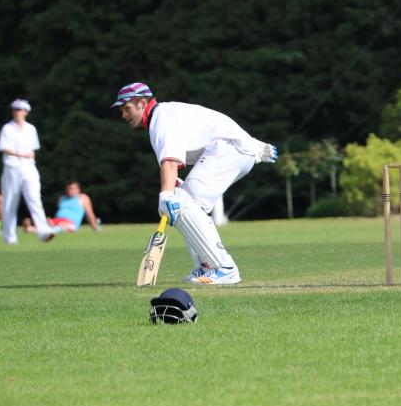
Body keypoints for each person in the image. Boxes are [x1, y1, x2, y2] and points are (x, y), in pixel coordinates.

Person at [112, 82, 277, 285]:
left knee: (180, 201)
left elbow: (170, 162)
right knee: (182, 200)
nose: (123, 115)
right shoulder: (163, 115)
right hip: (231, 151)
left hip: (228, 150)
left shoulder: (161, 119)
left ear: (142, 103)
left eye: (126, 108)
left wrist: (165, 195)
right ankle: (207, 266)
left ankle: (224, 269)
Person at [0, 98, 55, 244]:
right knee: (10, 202)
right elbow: (4, 148)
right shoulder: (7, 128)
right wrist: (21, 155)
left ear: (26, 112)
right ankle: (10, 237)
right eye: (14, 110)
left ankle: (43, 232)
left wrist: (28, 157)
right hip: (12, 169)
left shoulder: (31, 129)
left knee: (35, 199)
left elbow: (33, 150)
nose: (16, 112)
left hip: (29, 168)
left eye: (19, 110)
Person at [22, 180, 100, 233]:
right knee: (48, 222)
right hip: (57, 220)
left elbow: (89, 214)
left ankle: (31, 229)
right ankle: (32, 228)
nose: (70, 191)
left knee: (56, 227)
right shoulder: (62, 198)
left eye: (72, 189)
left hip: (70, 223)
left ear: (78, 189)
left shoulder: (83, 198)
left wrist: (95, 227)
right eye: (68, 189)